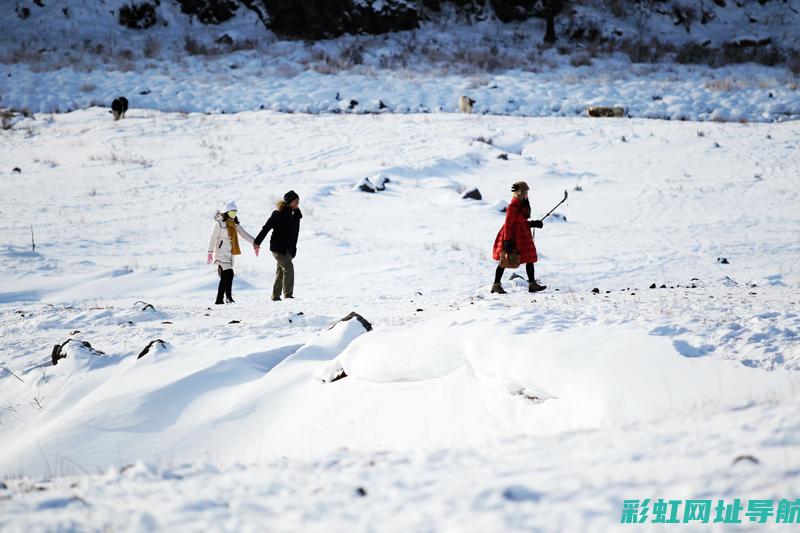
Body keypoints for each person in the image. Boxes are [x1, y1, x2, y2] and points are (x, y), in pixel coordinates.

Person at [491, 181, 546, 294]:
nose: (526, 195)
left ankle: (532, 284)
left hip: (522, 235)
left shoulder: (522, 204)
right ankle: (496, 285)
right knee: (505, 260)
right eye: (525, 192)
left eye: (527, 193)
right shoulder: (512, 206)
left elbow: (521, 221)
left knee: (529, 258)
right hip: (512, 236)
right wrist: (507, 240)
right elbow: (508, 224)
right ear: (519, 192)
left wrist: (533, 223)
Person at [254, 190, 302, 301]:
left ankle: (275, 296)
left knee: (281, 271)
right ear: (289, 201)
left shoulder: (295, 215)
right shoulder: (278, 214)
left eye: (298, 201)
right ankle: (288, 295)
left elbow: (295, 235)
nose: (297, 204)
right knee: (288, 268)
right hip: (278, 248)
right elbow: (265, 228)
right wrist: (257, 242)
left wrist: (293, 249)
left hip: (288, 249)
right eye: (295, 201)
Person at [207, 200, 256, 304]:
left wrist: (255, 243)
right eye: (231, 213)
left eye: (235, 213)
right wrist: (210, 252)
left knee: (225, 276)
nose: (233, 215)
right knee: (229, 274)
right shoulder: (219, 223)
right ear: (226, 213)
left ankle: (219, 299)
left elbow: (244, 234)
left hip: (229, 254)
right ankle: (228, 297)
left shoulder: (234, 224)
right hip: (220, 253)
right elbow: (213, 238)